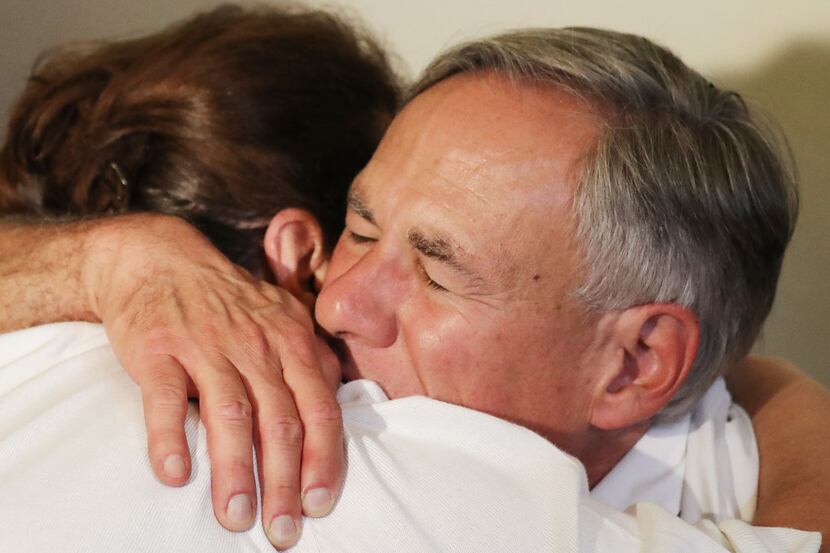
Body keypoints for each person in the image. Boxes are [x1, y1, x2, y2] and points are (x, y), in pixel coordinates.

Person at [0, 13, 828, 551]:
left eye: (436, 270)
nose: (335, 300)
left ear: (638, 362)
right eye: (359, 227)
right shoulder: (347, 460)